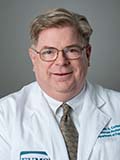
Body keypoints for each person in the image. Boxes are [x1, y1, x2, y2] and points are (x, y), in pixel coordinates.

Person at [0, 8, 120, 160]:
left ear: (87, 55)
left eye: (71, 50)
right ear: (33, 59)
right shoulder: (4, 116)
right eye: (49, 52)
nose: (61, 61)